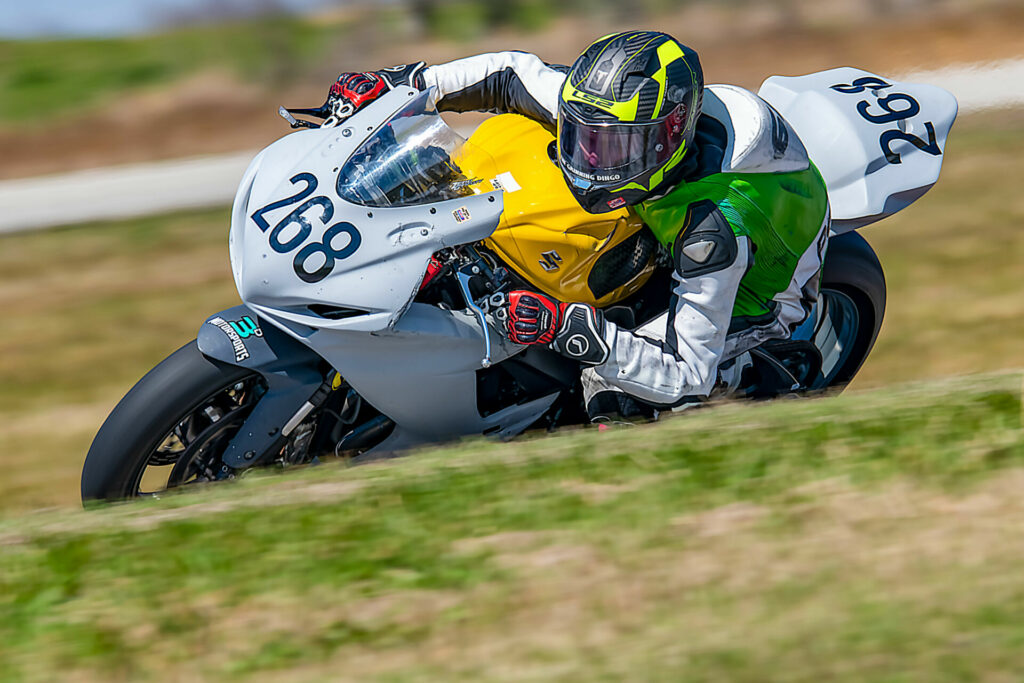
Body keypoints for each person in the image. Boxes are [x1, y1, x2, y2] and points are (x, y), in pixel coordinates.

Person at [327, 31, 830, 419]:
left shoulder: (711, 231)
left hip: (755, 285)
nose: (590, 160)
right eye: (581, 137)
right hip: (669, 221)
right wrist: (405, 83)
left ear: (666, 138)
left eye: (611, 147)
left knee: (613, 394)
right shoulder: (607, 110)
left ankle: (757, 374)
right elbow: (510, 73)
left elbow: (685, 372)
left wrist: (564, 325)